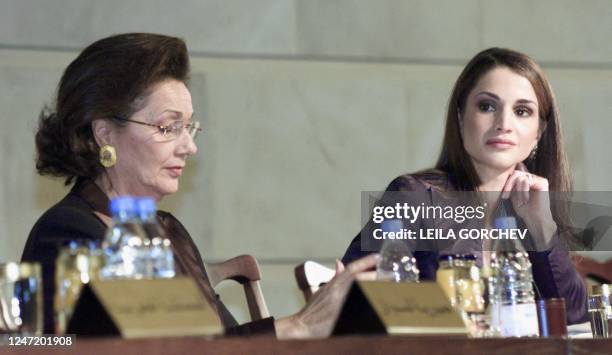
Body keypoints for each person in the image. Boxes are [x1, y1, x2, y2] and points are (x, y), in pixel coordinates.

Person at [21, 33, 378, 336]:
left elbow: (220, 343)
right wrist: (299, 325)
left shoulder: (168, 231)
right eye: (168, 127)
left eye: (189, 127)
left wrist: (321, 318)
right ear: (104, 133)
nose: (189, 146)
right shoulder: (68, 232)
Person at [342, 47, 588, 324]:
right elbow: (352, 297)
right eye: (487, 106)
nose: (503, 124)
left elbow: (577, 320)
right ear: (460, 118)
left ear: (539, 132)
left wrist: (544, 231)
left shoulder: (535, 207)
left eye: (522, 111)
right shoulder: (412, 196)